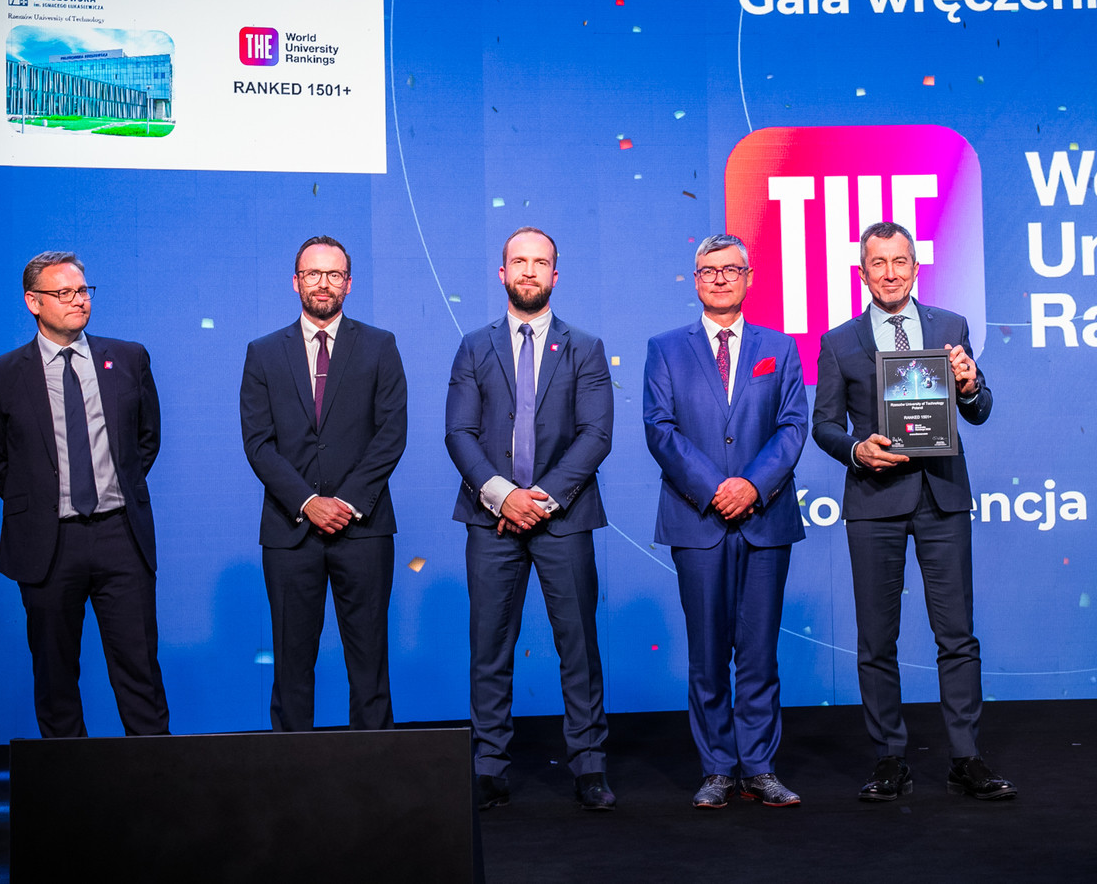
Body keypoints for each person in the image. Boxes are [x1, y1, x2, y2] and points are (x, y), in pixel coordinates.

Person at [812, 221, 1016, 801]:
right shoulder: (839, 342)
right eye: (878, 263)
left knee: (957, 635)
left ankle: (967, 758)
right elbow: (823, 424)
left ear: (916, 267)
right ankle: (889, 759)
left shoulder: (950, 327)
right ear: (863, 273)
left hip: (942, 496)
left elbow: (979, 408)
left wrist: (970, 385)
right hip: (874, 500)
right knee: (877, 639)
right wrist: (856, 450)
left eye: (900, 261)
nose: (890, 273)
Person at [445, 227, 616, 811]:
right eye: (519, 261)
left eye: (540, 262)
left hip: (563, 517)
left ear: (555, 275)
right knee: (489, 646)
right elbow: (458, 432)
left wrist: (539, 498)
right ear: (502, 273)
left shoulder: (585, 347)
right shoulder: (474, 346)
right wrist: (502, 496)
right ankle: (489, 766)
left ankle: (589, 765)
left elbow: (596, 435)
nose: (528, 271)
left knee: (579, 646)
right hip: (489, 518)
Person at [0, 251, 169, 737]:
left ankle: (157, 778)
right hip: (48, 542)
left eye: (83, 290)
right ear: (33, 302)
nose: (79, 300)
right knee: (55, 674)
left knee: (140, 669)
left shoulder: (129, 358)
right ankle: (69, 782)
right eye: (64, 293)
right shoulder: (1, 374)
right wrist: (40, 501)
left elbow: (146, 441)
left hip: (121, 535)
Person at [643, 234, 809, 809]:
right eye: (708, 270)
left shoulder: (779, 348)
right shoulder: (665, 348)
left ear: (748, 278)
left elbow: (793, 427)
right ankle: (717, 768)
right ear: (695, 280)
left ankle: (759, 766)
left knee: (759, 653)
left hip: (766, 520)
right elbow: (659, 428)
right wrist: (716, 489)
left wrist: (752, 486)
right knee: (708, 653)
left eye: (730, 269)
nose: (719, 278)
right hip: (698, 520)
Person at [240, 235, 408, 732]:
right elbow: (258, 444)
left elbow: (391, 434)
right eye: (313, 273)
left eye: (334, 274)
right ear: (295, 282)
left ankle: (373, 769)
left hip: (364, 528)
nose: (323, 283)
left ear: (349, 284)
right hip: (289, 531)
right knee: (291, 667)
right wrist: (308, 502)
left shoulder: (380, 345)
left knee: (370, 665)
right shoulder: (263, 353)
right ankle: (293, 772)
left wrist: (346, 502)